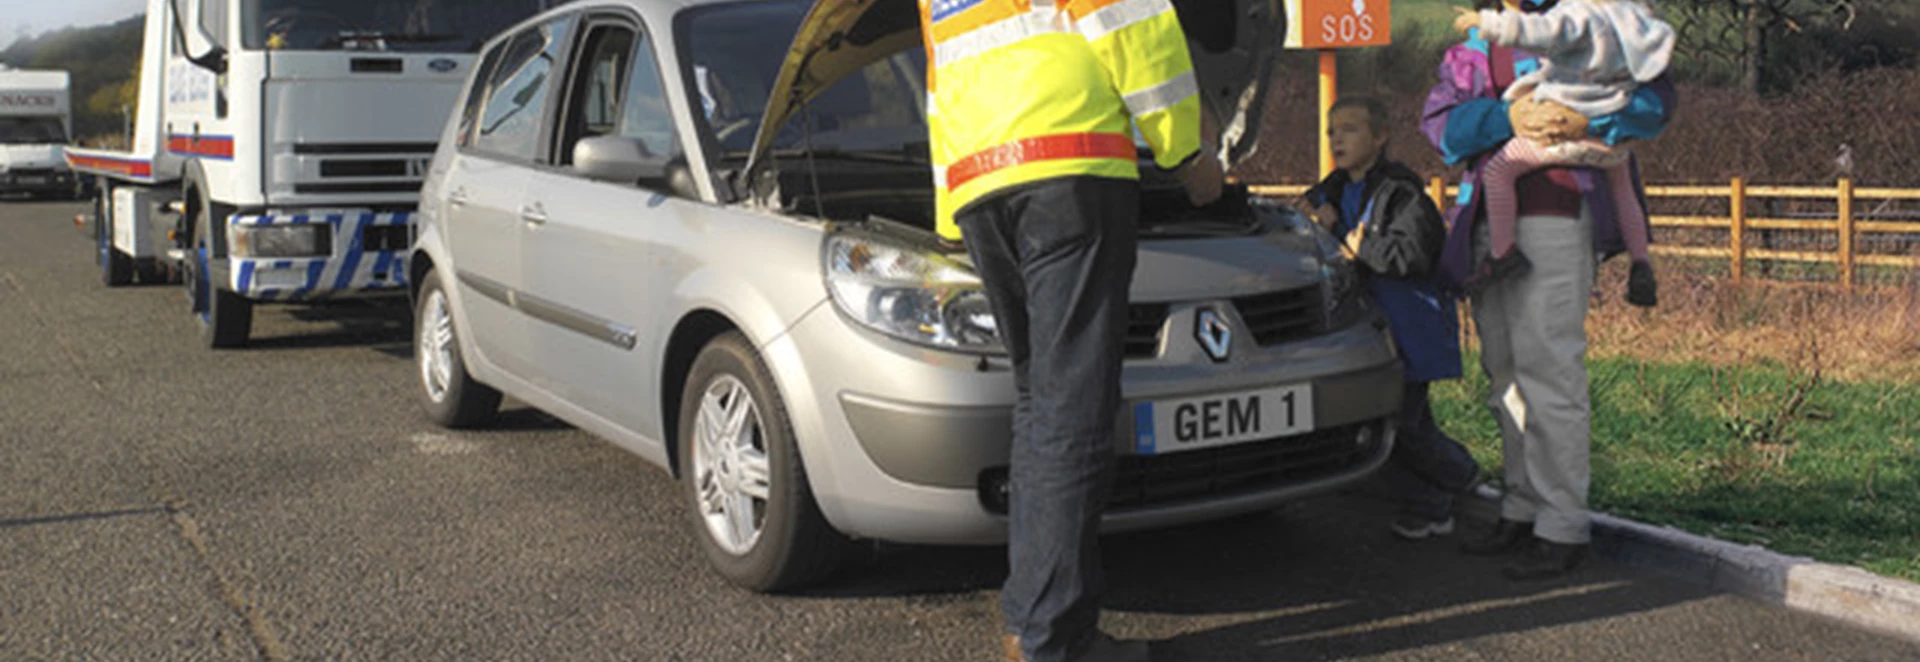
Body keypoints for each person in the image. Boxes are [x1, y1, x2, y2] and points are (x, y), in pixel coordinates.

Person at [913, 1, 1224, 661]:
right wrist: (1186, 147)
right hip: (1070, 162)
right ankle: (1057, 640)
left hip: (981, 183)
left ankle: (1032, 621)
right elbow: (1131, 23)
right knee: (1073, 410)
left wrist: (950, 212)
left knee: (1040, 404)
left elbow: (938, 81)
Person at [1422, 0, 1677, 580]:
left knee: (1550, 370)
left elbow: (1656, 101)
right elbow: (1442, 130)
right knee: (1505, 373)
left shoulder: (1590, 18)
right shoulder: (1469, 52)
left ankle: (1562, 523)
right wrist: (1506, 121)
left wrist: (1591, 122)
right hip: (1486, 222)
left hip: (1559, 216)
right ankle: (1522, 507)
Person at [1305, 96, 1481, 541]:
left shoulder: (1403, 195)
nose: (1337, 139)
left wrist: (1356, 244)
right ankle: (1457, 479)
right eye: (1331, 131)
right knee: (1404, 422)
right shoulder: (1334, 192)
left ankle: (1442, 495)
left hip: (1409, 328)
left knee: (1402, 424)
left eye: (1349, 129)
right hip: (1370, 331)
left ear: (1380, 137)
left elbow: (1415, 255)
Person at [1452, 0, 1676, 306]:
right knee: (1623, 187)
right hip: (1609, 141)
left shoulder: (1576, 13)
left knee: (1499, 171)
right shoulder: (1633, 16)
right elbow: (1444, 128)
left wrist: (1491, 25)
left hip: (1561, 149)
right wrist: (1604, 121)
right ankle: (1640, 262)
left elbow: (1544, 31)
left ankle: (1503, 254)